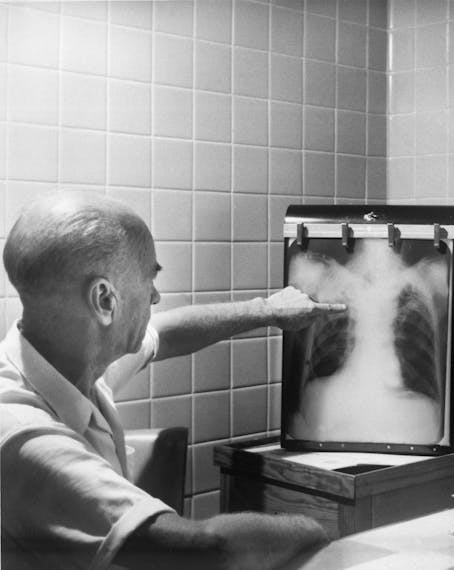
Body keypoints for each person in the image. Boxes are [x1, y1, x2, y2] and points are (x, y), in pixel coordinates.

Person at [0, 191, 347, 569]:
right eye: (148, 279)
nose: (155, 295)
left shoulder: (70, 358)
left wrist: (267, 311)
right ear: (104, 300)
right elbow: (205, 550)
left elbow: (166, 334)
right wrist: (319, 530)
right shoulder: (25, 436)